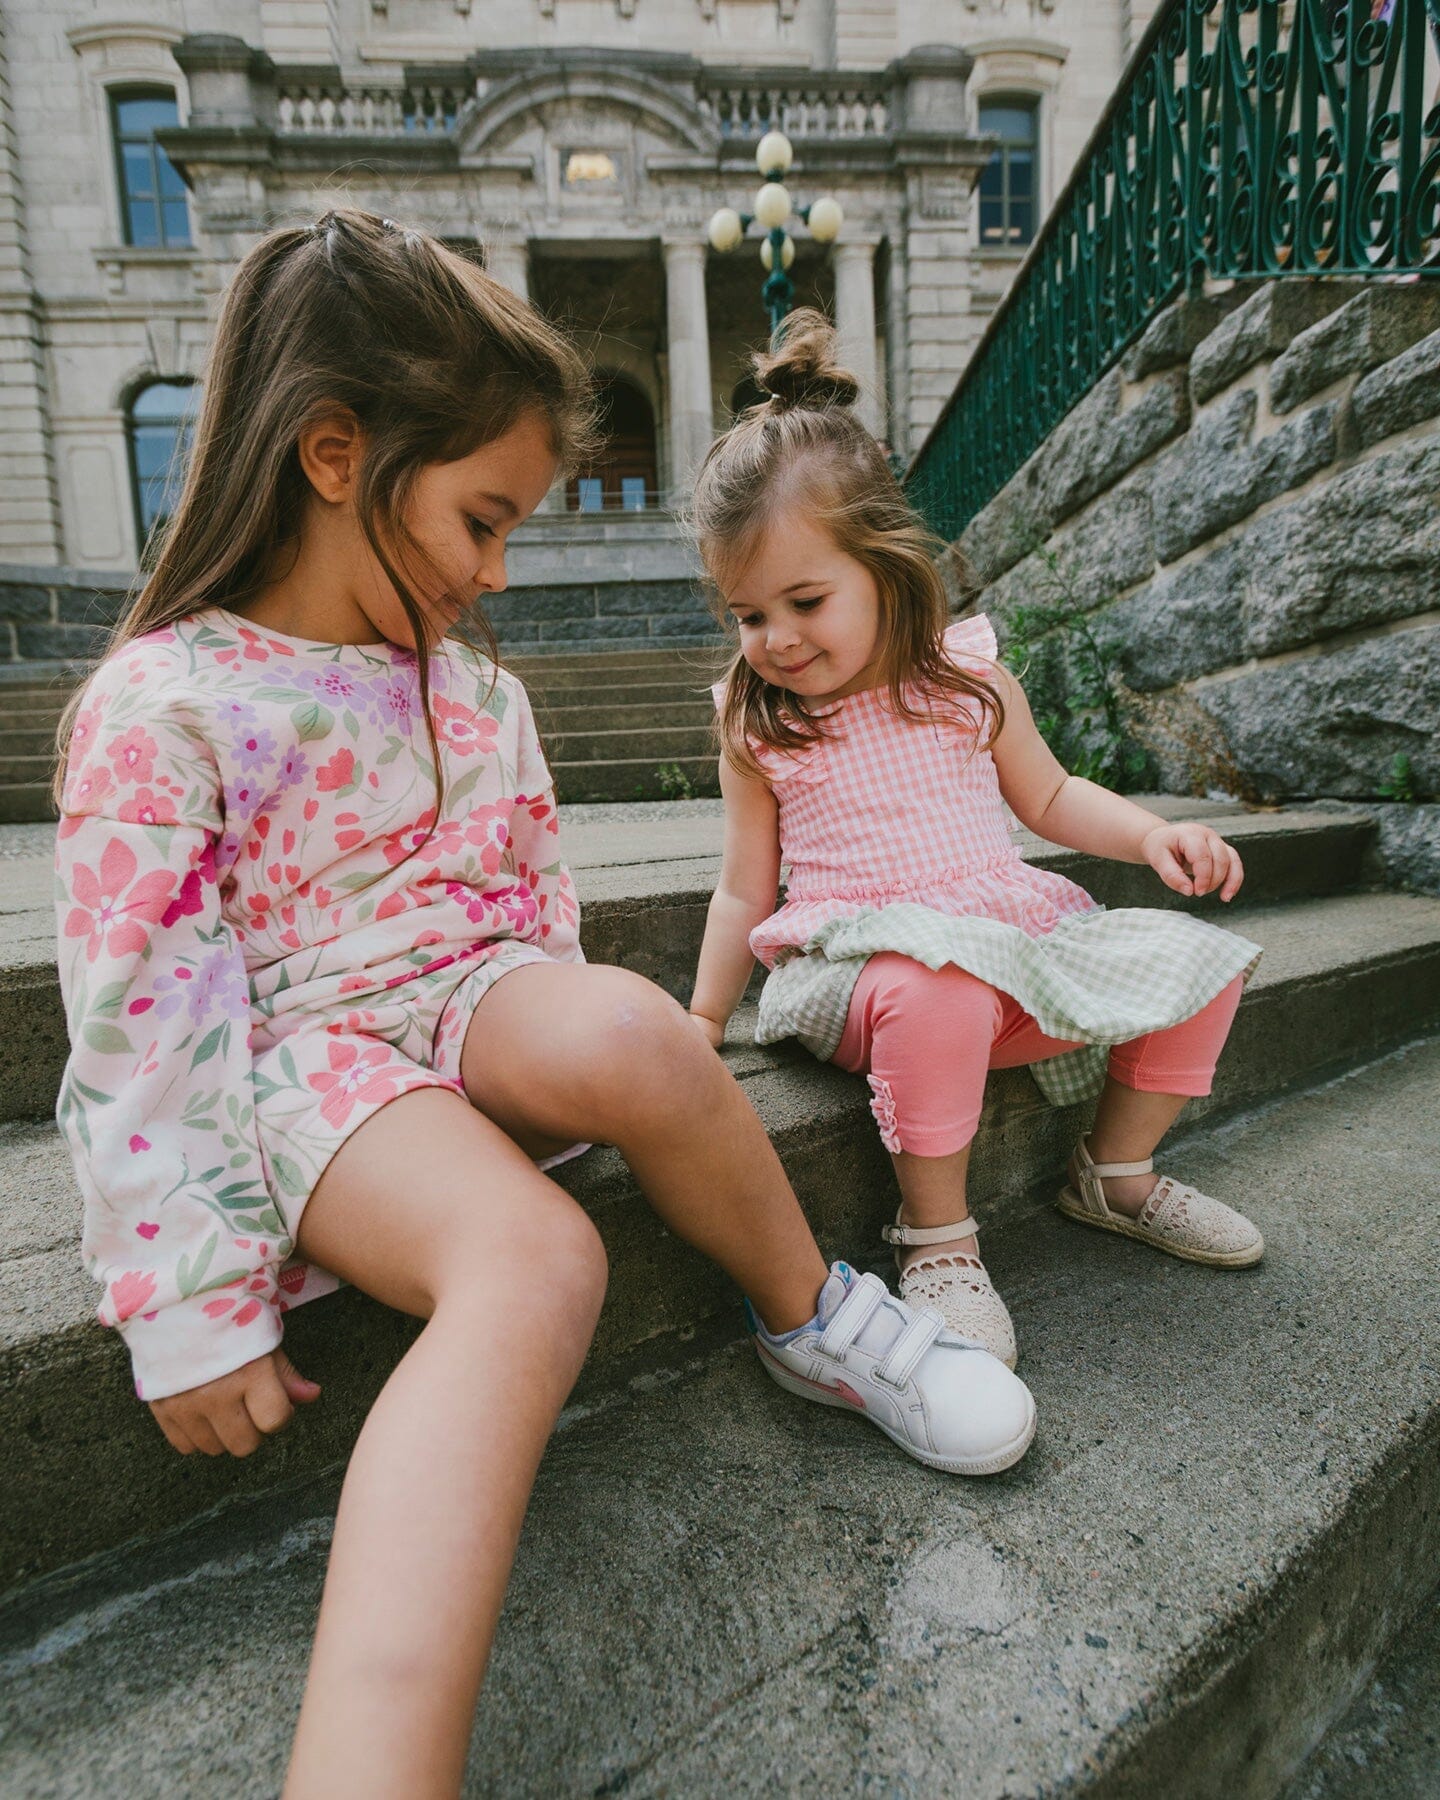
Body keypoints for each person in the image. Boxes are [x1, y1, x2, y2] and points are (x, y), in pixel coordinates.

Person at [53, 215, 1035, 1800]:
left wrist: (563, 1060)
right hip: (303, 1061)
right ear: (332, 455)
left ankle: (817, 1319)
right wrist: (184, 1297)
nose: (499, 571)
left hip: (472, 1001)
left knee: (638, 1026)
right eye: (481, 519)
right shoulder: (162, 706)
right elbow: (140, 1025)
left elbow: (531, 908)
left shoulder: (478, 693)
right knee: (538, 1257)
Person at [687, 310, 1266, 1375]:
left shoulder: (965, 682)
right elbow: (741, 889)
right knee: (935, 985)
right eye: (747, 615)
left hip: (1004, 944)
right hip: (861, 970)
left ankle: (1117, 1174)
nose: (776, 639)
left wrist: (1154, 835)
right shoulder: (761, 725)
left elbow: (1050, 795)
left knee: (1200, 963)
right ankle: (939, 1237)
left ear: (885, 566)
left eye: (805, 600)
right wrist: (702, 1018)